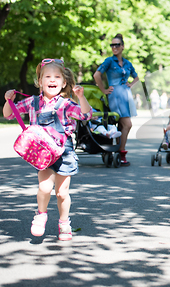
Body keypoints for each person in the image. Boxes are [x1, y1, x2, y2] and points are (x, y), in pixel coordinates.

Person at [3, 58, 92, 241]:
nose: (53, 80)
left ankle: (64, 222)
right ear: (40, 82)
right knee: (44, 188)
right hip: (42, 154)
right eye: (48, 76)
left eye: (57, 76)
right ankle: (41, 214)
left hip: (64, 153)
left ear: (64, 82)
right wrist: (8, 100)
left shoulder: (66, 104)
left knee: (62, 193)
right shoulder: (33, 102)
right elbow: (9, 114)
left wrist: (81, 97)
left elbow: (86, 114)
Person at [93, 34, 140, 166]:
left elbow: (136, 77)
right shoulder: (109, 61)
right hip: (114, 95)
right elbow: (97, 74)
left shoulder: (127, 63)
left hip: (126, 95)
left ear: (122, 47)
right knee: (127, 124)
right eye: (112, 45)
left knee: (121, 125)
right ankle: (121, 152)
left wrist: (131, 84)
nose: (114, 47)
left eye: (117, 45)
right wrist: (103, 90)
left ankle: (119, 154)